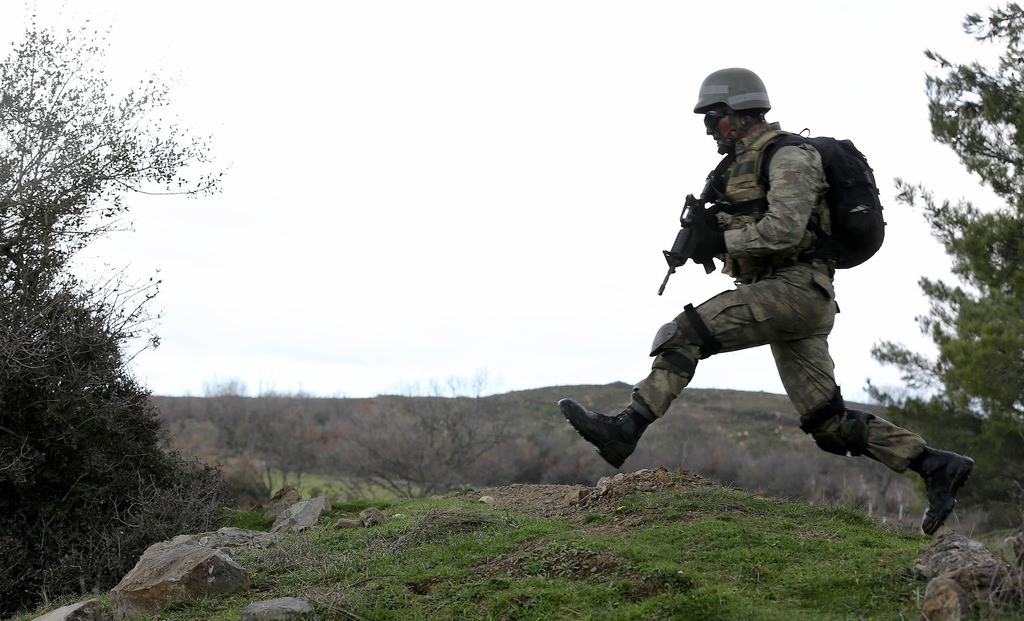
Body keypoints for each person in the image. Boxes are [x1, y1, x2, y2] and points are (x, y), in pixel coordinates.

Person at [558, 67, 974, 536]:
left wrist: (722, 239)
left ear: (738, 114)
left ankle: (625, 429)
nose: (709, 130)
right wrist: (708, 239)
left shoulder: (789, 156)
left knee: (684, 334)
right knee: (828, 423)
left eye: (713, 119)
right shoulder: (735, 167)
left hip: (795, 289)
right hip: (786, 296)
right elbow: (745, 227)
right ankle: (935, 465)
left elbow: (784, 230)